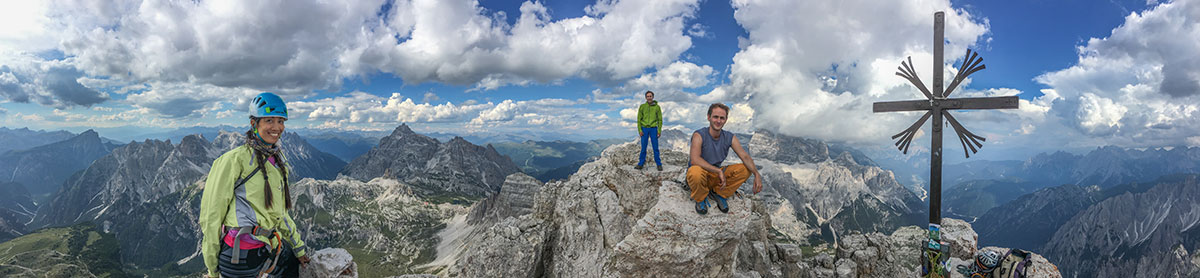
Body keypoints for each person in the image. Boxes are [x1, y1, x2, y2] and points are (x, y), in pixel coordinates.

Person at [200, 92, 310, 277]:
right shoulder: (233, 160)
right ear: (254, 123)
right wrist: (212, 268)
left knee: (291, 267)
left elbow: (279, 213)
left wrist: (299, 248)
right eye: (269, 120)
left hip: (267, 248)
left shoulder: (277, 160)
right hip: (239, 255)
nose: (277, 127)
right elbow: (211, 215)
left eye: (281, 121)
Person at [686, 103, 763, 214]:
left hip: (715, 176)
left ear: (726, 120)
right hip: (701, 174)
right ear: (709, 117)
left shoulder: (729, 137)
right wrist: (718, 170)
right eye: (715, 117)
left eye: (722, 118)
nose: (718, 121)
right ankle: (700, 197)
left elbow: (745, 156)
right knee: (695, 172)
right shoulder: (699, 135)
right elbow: (694, 159)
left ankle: (719, 193)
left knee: (746, 169)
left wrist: (756, 174)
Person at [636, 90, 663, 171]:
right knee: (643, 147)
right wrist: (640, 130)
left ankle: (658, 164)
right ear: (645, 97)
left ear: (653, 97)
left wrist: (659, 131)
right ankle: (641, 163)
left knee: (655, 147)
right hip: (644, 128)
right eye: (647, 96)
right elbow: (639, 119)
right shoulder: (642, 107)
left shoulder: (657, 107)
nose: (649, 98)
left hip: (653, 129)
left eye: (650, 96)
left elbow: (660, 120)